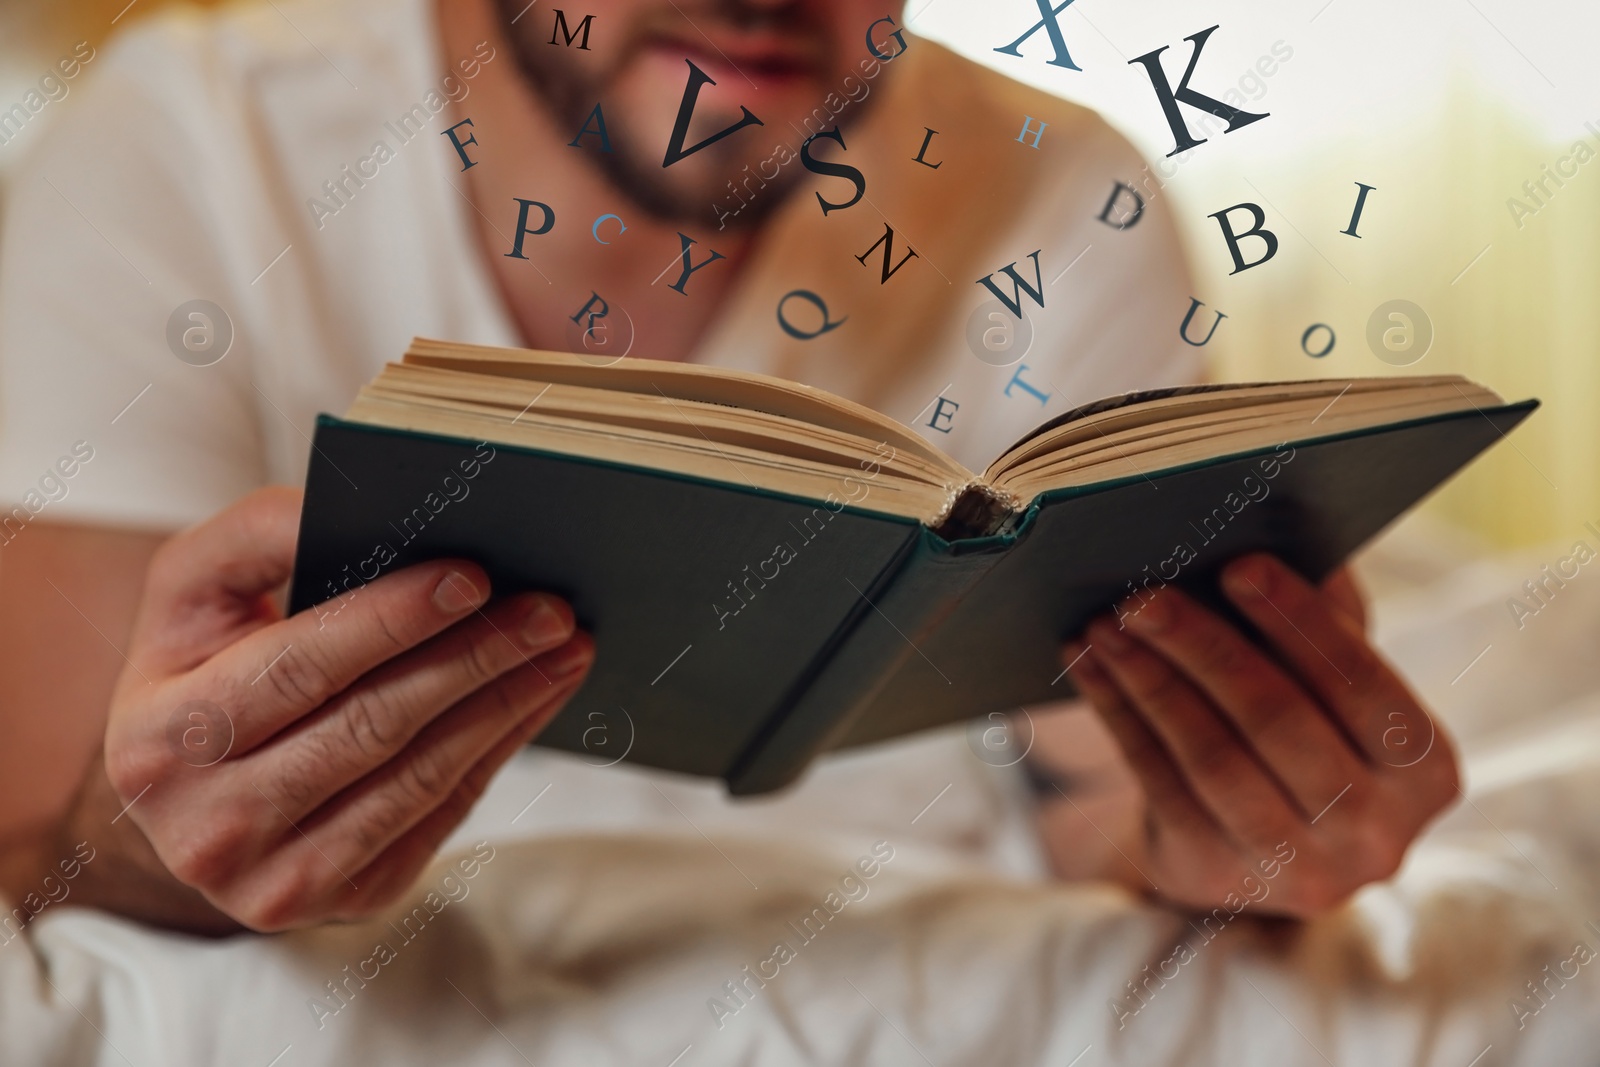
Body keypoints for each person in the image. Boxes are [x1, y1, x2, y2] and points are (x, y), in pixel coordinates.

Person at [0, 0, 1458, 933]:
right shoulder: (191, 143)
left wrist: (1243, 845)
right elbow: (41, 839)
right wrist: (175, 837)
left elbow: (1096, 802)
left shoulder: (1068, 195)